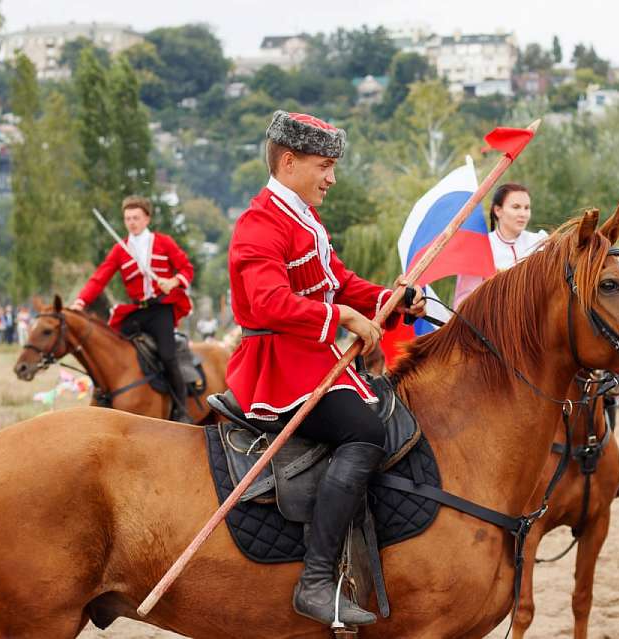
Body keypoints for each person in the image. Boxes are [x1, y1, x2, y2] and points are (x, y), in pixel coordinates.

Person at [227, 111, 426, 627]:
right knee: (363, 432)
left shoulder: (306, 220)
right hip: (276, 368)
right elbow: (269, 303)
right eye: (324, 166)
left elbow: (342, 280)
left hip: (312, 360)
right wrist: (342, 316)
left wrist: (396, 298)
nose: (332, 178)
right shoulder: (259, 223)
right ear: (289, 162)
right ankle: (315, 580)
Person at [69, 195, 195, 423]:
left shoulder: (164, 242)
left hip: (160, 309)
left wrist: (174, 281)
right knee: (110, 350)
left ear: (147, 219)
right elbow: (99, 278)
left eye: (136, 218)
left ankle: (181, 409)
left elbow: (187, 268)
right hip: (136, 312)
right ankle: (106, 395)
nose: (131, 222)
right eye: (127, 218)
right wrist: (80, 301)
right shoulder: (120, 249)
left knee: (167, 356)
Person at [452, 182, 547, 308]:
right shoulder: (480, 248)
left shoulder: (541, 243)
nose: (523, 214)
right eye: (516, 207)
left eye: (527, 208)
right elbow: (463, 302)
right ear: (498, 210)